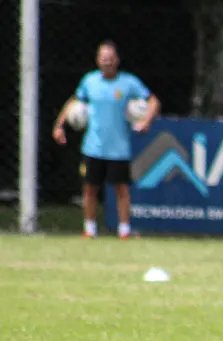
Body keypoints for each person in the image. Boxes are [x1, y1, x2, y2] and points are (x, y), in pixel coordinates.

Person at [52, 40, 160, 239]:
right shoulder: (89, 81)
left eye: (110, 59)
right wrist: (60, 125)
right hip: (93, 147)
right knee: (90, 189)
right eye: (103, 59)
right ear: (97, 60)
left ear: (117, 60)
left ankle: (124, 231)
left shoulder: (128, 83)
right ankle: (89, 229)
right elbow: (74, 101)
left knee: (121, 190)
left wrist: (146, 121)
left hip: (118, 148)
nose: (107, 62)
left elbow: (153, 101)